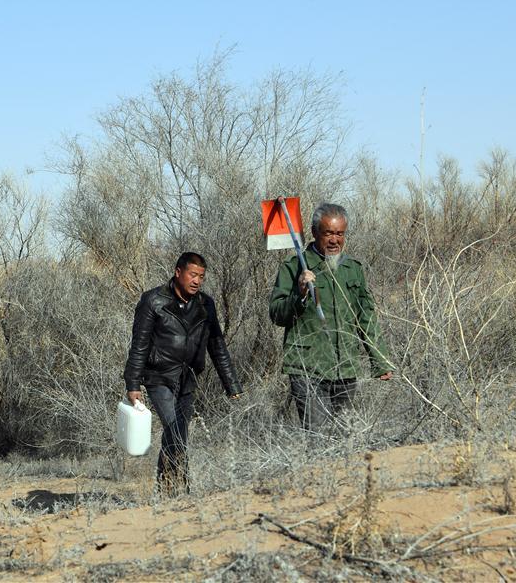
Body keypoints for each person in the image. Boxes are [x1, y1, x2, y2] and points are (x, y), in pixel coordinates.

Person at [124, 252, 242, 494]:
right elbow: (140, 344)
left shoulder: (205, 304)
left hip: (188, 378)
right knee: (175, 431)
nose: (197, 281)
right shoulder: (153, 301)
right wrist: (133, 383)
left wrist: (231, 384)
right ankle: (184, 488)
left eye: (201, 276)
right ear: (178, 272)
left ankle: (166, 489)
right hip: (159, 378)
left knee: (177, 434)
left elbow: (216, 345)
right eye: (192, 274)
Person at [269, 203, 392, 432]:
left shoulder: (352, 268)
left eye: (340, 234)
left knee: (344, 436)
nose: (334, 240)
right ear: (315, 233)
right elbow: (277, 314)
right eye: (328, 233)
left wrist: (379, 360)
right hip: (307, 368)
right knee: (317, 437)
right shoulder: (295, 266)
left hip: (345, 366)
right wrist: (300, 293)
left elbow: (366, 316)